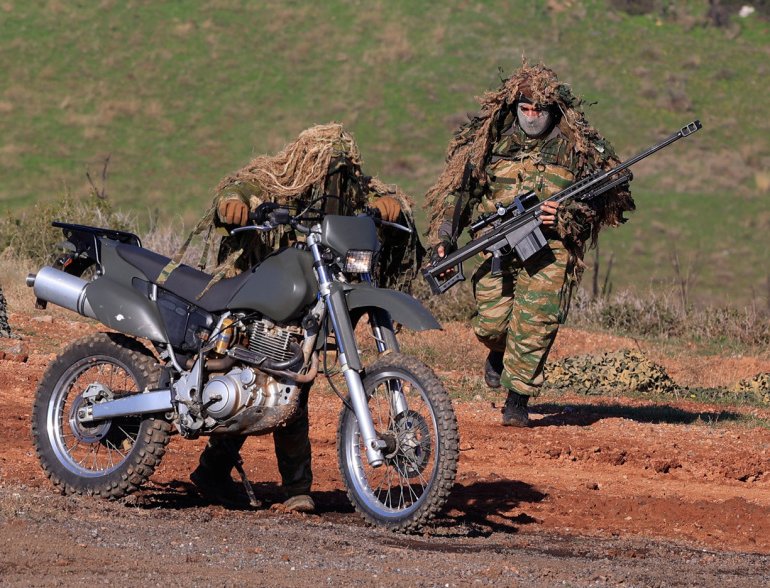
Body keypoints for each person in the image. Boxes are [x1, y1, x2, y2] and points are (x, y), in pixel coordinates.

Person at [173, 122, 423, 511]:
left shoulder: (354, 192)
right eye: (326, 167)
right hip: (263, 300)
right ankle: (294, 489)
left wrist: (395, 207)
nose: (334, 176)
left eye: (342, 168)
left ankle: (218, 472)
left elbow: (389, 200)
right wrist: (233, 203)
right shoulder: (281, 180)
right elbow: (241, 187)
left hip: (316, 302)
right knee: (273, 387)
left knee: (274, 388)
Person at [424, 60, 635, 427]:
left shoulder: (577, 148)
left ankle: (517, 399)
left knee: (534, 324)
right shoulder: (492, 141)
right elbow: (458, 193)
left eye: (539, 109)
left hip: (551, 250)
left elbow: (608, 195)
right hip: (497, 246)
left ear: (553, 109)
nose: (532, 116)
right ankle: (499, 353)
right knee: (490, 325)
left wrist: (566, 216)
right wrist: (444, 237)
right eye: (525, 109)